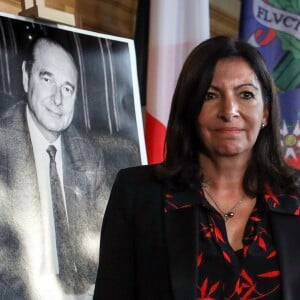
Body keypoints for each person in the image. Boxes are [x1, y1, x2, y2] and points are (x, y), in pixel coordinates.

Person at [93, 36, 300, 300]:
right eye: (210, 95)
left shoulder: (295, 196)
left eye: (246, 94)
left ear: (266, 112)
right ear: (190, 108)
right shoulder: (138, 193)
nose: (229, 110)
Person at [0, 37, 109, 299]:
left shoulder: (89, 156)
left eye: (68, 88)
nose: (58, 99)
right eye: (47, 79)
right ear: (27, 78)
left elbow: (107, 240)